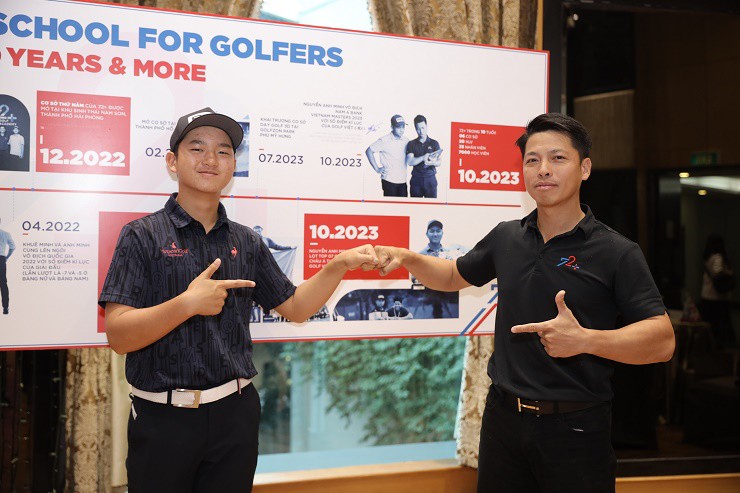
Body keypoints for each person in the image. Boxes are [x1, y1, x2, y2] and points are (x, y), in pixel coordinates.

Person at [372, 113, 674, 492]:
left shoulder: (617, 251)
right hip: (503, 421)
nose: (543, 169)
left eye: (558, 158)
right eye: (532, 160)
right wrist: (407, 257)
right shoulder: (507, 237)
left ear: (584, 168)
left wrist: (585, 340)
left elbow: (662, 341)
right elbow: (451, 276)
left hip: (576, 429)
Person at [99, 107, 377, 493]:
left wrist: (338, 265)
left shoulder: (246, 240)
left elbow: (295, 307)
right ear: (172, 162)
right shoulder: (141, 235)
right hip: (162, 419)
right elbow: (118, 336)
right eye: (197, 148)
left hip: (235, 415)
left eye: (223, 151)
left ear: (233, 165)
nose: (211, 159)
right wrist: (186, 304)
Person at [698, 234, 735, 345]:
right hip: (716, 296)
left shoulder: (708, 257)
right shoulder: (718, 257)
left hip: (706, 294)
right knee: (718, 324)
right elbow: (717, 273)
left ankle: (708, 346)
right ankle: (718, 345)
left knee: (709, 323)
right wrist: (728, 273)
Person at [365, 114, 410, 197]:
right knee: (390, 205)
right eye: (398, 127)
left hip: (403, 181)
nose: (401, 130)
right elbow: (369, 151)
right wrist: (377, 168)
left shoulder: (406, 140)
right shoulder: (384, 140)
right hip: (389, 181)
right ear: (392, 127)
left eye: (403, 127)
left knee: (403, 205)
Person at [406, 115, 443, 198]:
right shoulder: (411, 144)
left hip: (430, 179)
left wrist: (433, 162)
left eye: (423, 128)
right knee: (415, 205)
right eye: (418, 129)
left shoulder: (434, 143)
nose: (421, 131)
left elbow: (439, 162)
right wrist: (423, 157)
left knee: (431, 205)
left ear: (426, 126)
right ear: (415, 129)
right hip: (416, 180)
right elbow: (410, 162)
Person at [0, 217, 15, 315]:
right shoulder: (6, 234)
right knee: (3, 283)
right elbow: (13, 247)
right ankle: (5, 308)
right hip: (1, 259)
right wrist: (7, 257)